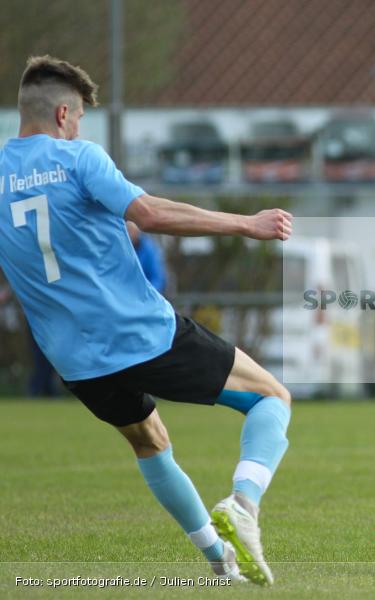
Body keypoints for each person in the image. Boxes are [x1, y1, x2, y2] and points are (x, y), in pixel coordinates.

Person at [0, 55, 294, 585]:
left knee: (150, 441)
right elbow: (150, 214)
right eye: (81, 117)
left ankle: (219, 563)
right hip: (140, 333)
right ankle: (244, 507)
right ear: (64, 113)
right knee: (272, 397)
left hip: (75, 360)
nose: (80, 127)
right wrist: (245, 224)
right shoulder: (79, 157)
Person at [127, 221, 167, 294]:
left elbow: (157, 277)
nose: (130, 234)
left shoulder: (149, 249)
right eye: (128, 230)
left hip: (148, 294)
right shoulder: (124, 248)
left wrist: (148, 294)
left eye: (132, 230)